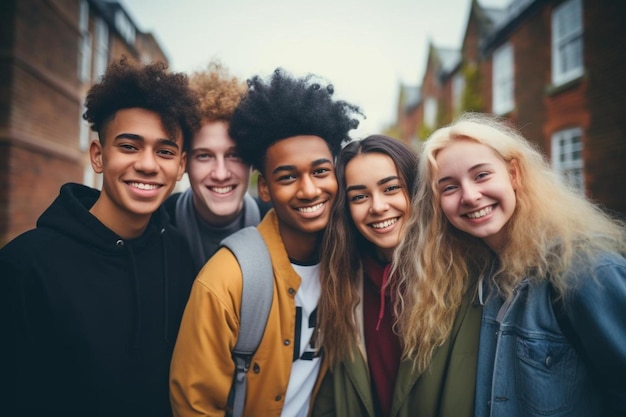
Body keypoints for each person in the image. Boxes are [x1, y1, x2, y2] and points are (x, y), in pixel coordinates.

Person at [0, 58, 201, 417]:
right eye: (129, 146)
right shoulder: (24, 266)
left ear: (181, 166)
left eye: (165, 151)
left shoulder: (180, 254)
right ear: (98, 155)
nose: (148, 164)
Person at [393, 112, 626, 417]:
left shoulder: (586, 270)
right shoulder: (483, 276)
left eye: (481, 175)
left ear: (514, 174)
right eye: (449, 187)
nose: (470, 196)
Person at [169, 68, 363, 417]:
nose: (308, 189)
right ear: (265, 188)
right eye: (288, 177)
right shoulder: (227, 278)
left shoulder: (351, 260)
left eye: (320, 171)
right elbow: (195, 405)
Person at [164, 61, 271, 272]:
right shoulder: (157, 225)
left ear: (252, 162)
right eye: (204, 156)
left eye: (235, 155)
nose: (221, 174)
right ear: (184, 163)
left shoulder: (278, 226)